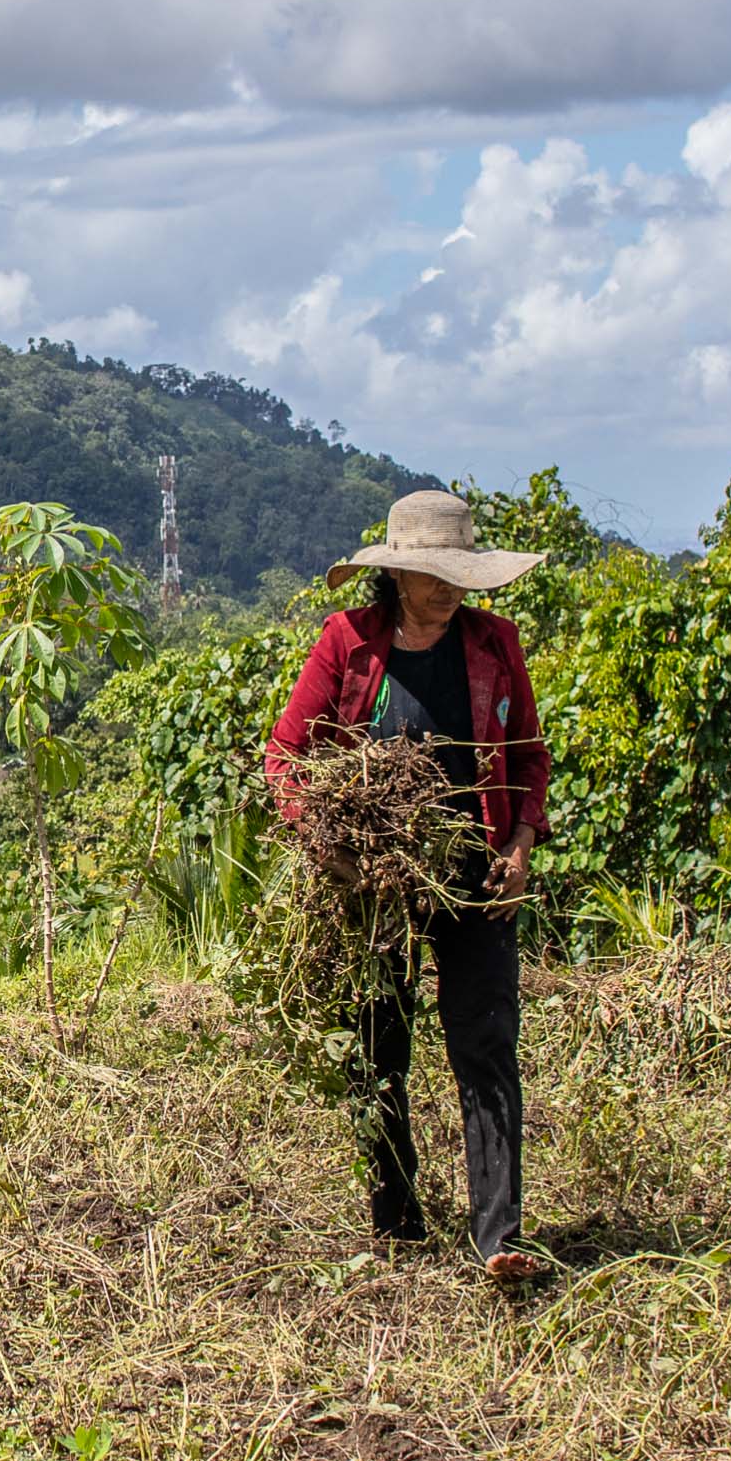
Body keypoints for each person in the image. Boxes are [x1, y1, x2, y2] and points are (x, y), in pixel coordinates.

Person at [265, 489, 553, 1278]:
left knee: (486, 1045)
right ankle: (396, 1222)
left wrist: (522, 843)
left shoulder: (495, 643)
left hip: (474, 875)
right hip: (374, 880)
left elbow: (528, 754)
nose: (447, 588)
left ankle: (500, 1236)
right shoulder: (348, 643)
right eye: (431, 574)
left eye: (458, 572)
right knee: (376, 1046)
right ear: (395, 576)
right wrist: (335, 854)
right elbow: (285, 757)